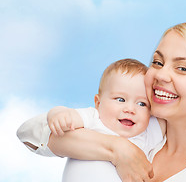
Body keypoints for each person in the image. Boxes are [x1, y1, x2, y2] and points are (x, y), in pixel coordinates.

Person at [19, 22, 186, 182]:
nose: (161, 75)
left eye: (183, 68)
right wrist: (117, 149)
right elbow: (31, 133)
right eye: (158, 62)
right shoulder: (137, 123)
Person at [17, 59, 165, 182]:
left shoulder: (145, 134)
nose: (130, 109)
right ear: (98, 103)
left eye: (142, 104)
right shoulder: (93, 119)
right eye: (120, 99)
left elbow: (175, 120)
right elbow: (64, 117)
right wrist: (57, 113)